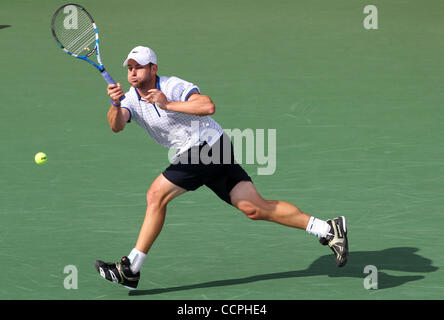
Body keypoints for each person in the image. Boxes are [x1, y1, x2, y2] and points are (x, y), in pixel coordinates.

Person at [94, 46, 349, 290]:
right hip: (209, 151)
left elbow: (207, 106)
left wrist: (167, 104)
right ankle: (328, 229)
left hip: (206, 146)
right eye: (129, 68)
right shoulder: (129, 99)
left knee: (155, 195)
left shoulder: (171, 85)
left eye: (138, 67)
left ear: (153, 68)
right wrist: (115, 104)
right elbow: (116, 126)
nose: (132, 73)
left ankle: (131, 268)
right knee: (254, 208)